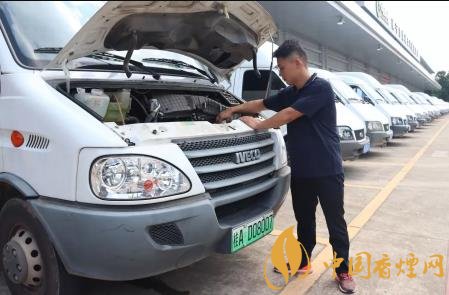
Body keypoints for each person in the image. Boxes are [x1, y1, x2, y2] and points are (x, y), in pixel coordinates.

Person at [216, 40, 355, 294]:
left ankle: (343, 270)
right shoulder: (292, 90)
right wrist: (233, 109)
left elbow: (289, 114)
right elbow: (262, 104)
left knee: (335, 223)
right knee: (304, 221)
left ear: (297, 62)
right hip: (302, 170)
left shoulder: (320, 88)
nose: (280, 72)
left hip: (327, 170)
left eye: (282, 67)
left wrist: (258, 125)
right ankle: (302, 262)